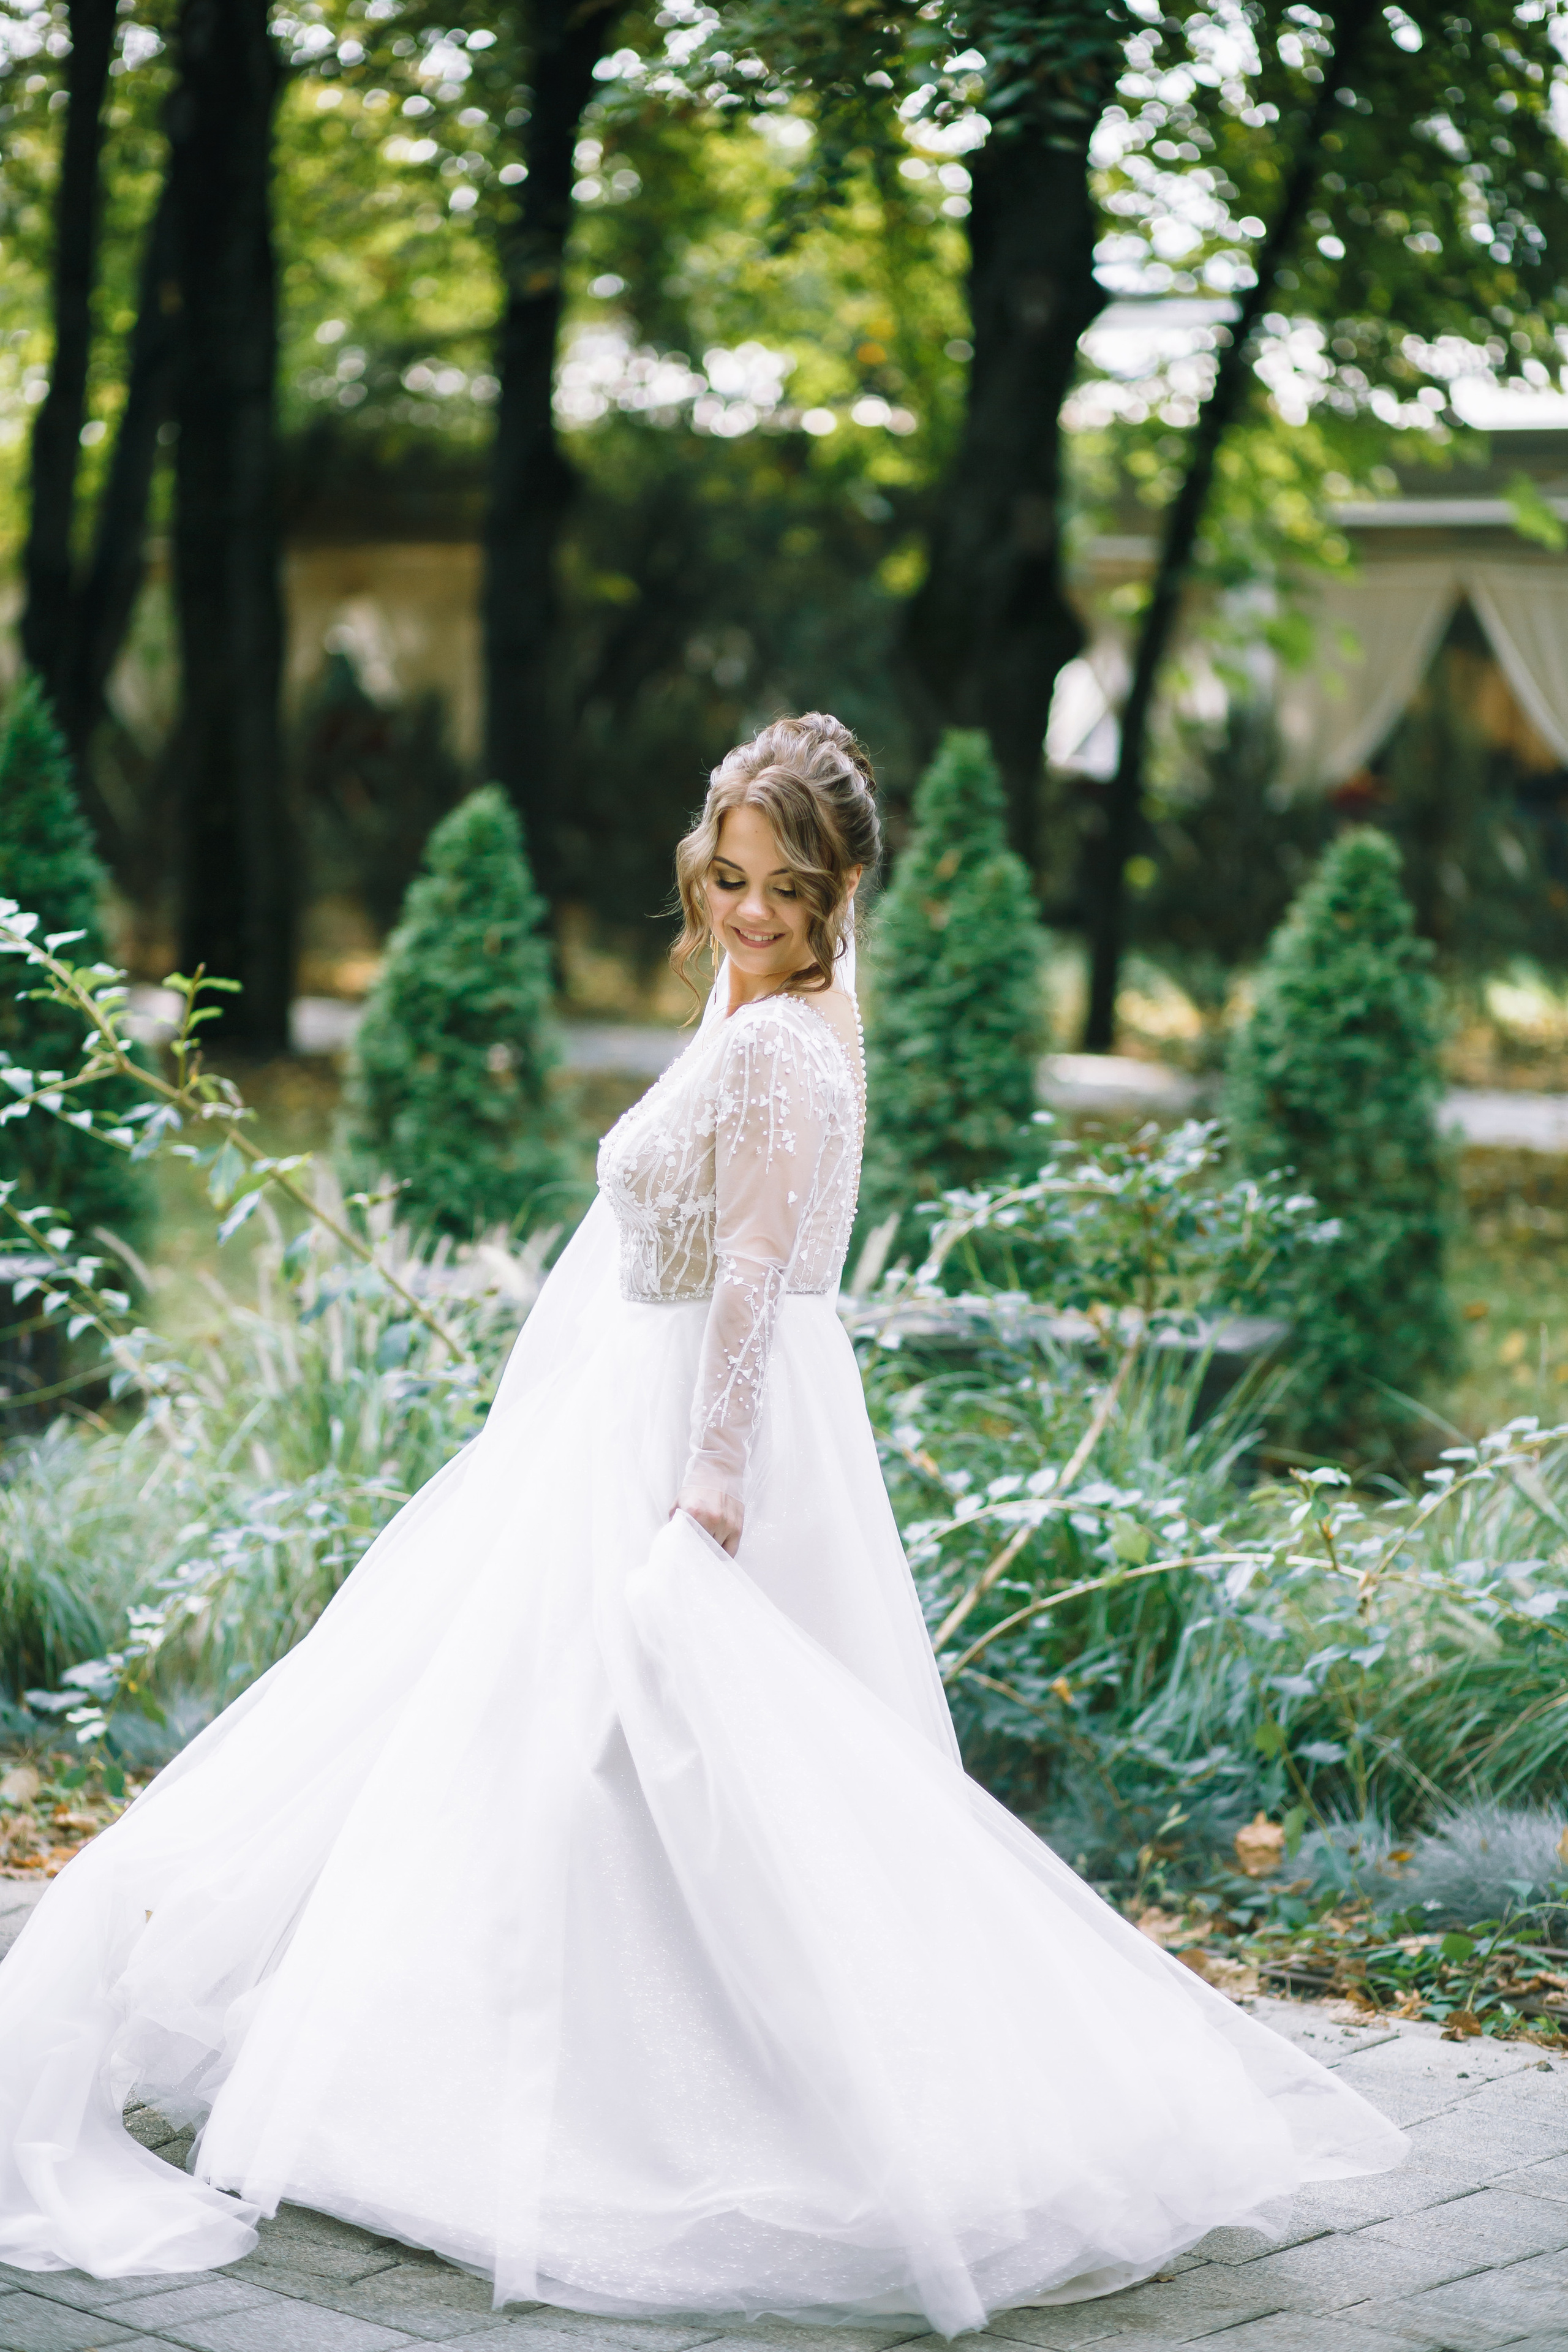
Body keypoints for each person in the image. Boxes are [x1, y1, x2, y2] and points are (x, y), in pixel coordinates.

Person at [0, 714, 1403, 2333]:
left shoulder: (781, 1043)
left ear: (844, 883)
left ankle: (672, 2110)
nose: (745, 909)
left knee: (666, 1768)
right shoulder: (772, 1004)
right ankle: (572, 2058)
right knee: (607, 1776)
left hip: (702, 1429)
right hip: (655, 1409)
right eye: (727, 876)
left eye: (784, 886)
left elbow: (750, 1269)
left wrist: (711, 1479)